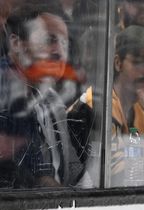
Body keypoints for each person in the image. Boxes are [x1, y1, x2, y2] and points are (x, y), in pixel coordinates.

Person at [67, 25, 144, 186]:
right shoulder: (95, 106)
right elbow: (116, 182)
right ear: (118, 63)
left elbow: (143, 174)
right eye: (140, 61)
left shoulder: (140, 109)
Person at [0, 3, 82, 188]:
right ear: (16, 44)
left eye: (64, 43)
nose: (59, 52)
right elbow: (32, 183)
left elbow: (73, 167)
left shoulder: (50, 97)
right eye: (49, 39)